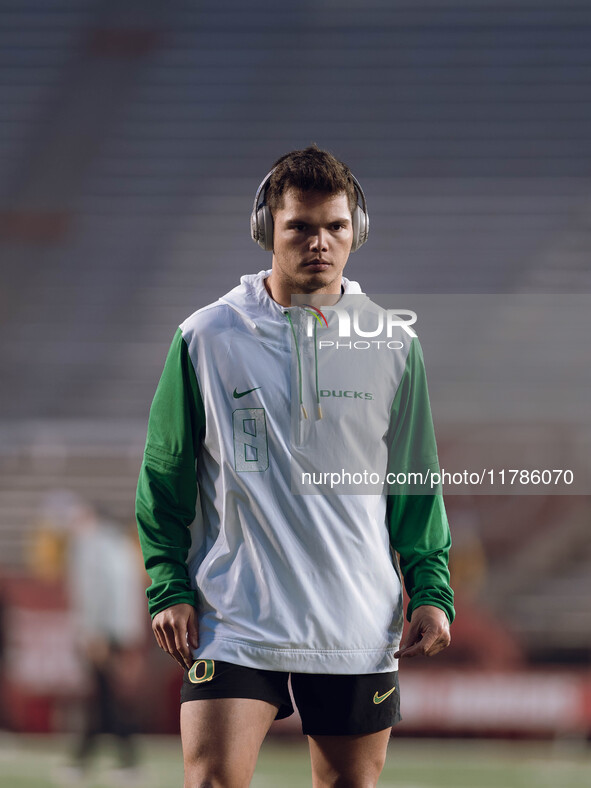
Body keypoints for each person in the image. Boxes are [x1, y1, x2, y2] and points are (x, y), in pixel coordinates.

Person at [136, 145, 454, 788]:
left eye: (336, 226)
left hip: (355, 619)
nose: (320, 243)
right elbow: (163, 478)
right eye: (300, 227)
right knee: (213, 781)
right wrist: (168, 586)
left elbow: (416, 479)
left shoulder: (394, 343)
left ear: (356, 231)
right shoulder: (206, 337)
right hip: (235, 614)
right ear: (266, 232)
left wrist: (432, 588)